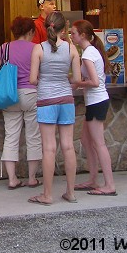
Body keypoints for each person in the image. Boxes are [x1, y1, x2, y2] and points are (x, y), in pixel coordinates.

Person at [28, 11, 81, 205]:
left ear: (45, 27)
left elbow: (33, 79)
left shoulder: (39, 49)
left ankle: (47, 195)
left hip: (46, 100)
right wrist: (64, 79)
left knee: (49, 148)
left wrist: (45, 78)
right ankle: (71, 192)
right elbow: (77, 79)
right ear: (64, 28)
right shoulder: (71, 49)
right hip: (66, 99)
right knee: (68, 146)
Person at [70, 19, 116, 196]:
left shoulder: (88, 54)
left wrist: (77, 83)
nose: (71, 36)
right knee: (86, 140)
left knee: (99, 143)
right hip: (95, 101)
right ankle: (94, 178)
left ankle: (109, 184)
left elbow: (95, 82)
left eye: (73, 33)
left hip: (97, 101)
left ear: (82, 35)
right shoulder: (92, 51)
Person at [0, 16, 41, 189]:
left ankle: (12, 179)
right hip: (31, 93)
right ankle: (31, 178)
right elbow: (40, 74)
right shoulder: (37, 48)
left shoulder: (4, 48)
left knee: (11, 136)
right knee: (33, 136)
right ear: (30, 32)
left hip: (10, 95)